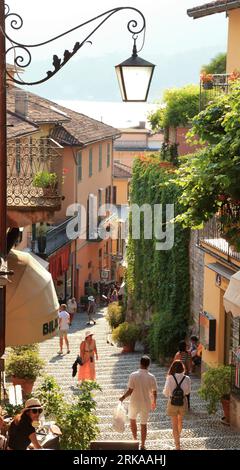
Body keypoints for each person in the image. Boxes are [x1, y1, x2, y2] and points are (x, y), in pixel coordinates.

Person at [119, 355, 157, 450]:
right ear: (148, 365)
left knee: (132, 420)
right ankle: (143, 444)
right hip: (146, 402)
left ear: (140, 363)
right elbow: (154, 392)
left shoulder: (133, 375)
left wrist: (123, 397)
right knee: (144, 424)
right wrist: (154, 402)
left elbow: (130, 390)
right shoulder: (151, 377)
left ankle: (135, 439)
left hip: (134, 402)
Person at [163, 360, 191, 451]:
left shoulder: (170, 378)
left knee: (174, 424)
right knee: (180, 422)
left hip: (172, 402)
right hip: (182, 402)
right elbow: (187, 392)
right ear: (183, 368)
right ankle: (178, 438)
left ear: (173, 368)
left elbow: (166, 393)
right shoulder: (187, 378)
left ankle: (177, 445)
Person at [174, 340, 192, 409]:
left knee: (178, 387)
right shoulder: (188, 353)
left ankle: (179, 402)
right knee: (187, 388)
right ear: (185, 346)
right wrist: (188, 370)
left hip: (178, 373)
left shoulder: (178, 354)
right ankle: (188, 404)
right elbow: (190, 363)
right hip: (186, 373)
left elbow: (174, 363)